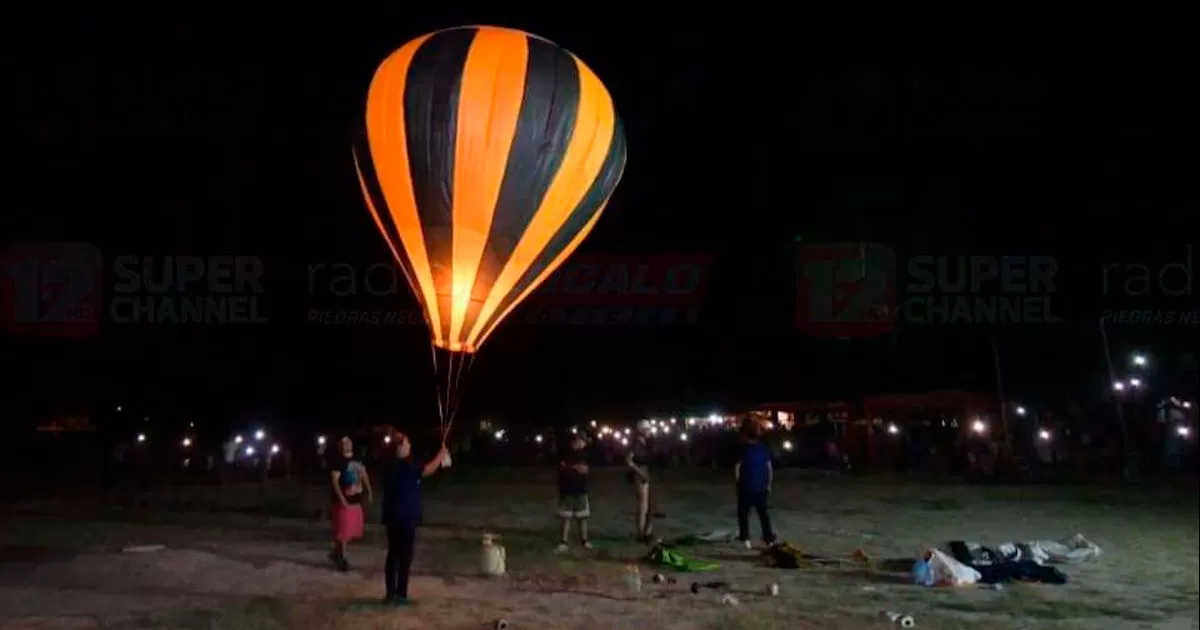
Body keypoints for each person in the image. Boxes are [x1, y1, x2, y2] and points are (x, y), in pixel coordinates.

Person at [381, 431, 450, 605]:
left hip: (393, 515)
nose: (409, 446)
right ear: (399, 447)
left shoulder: (392, 464)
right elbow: (426, 470)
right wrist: (440, 456)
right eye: (406, 443)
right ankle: (400, 594)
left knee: (393, 555)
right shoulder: (403, 465)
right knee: (404, 556)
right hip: (404, 516)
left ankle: (391, 593)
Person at [329, 436, 372, 571]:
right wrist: (341, 498)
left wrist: (369, 491)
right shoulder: (337, 461)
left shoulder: (357, 459)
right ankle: (342, 558)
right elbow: (334, 481)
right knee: (343, 531)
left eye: (348, 441)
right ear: (340, 446)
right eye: (343, 442)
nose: (346, 444)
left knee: (348, 530)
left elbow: (364, 474)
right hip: (343, 501)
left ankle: (336, 553)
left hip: (355, 500)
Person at [734, 421, 777, 549]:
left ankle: (745, 538)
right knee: (763, 514)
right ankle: (768, 538)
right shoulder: (763, 448)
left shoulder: (743, 450)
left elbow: (737, 468)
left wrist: (737, 485)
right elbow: (769, 468)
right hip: (761, 487)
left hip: (746, 486)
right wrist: (769, 484)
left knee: (743, 514)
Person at [556, 435, 592, 552]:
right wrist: (575, 467)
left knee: (582, 517)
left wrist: (572, 467)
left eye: (582, 442)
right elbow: (562, 467)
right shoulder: (565, 454)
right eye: (578, 441)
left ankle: (584, 540)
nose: (580, 443)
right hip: (567, 490)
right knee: (566, 517)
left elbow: (585, 469)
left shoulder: (585, 455)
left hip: (580, 490)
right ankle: (563, 542)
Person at [625, 427, 654, 542]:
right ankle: (640, 532)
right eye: (647, 430)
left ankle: (646, 531)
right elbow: (628, 460)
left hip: (646, 472)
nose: (649, 432)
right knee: (643, 505)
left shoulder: (646, 443)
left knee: (648, 505)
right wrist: (639, 471)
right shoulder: (636, 444)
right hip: (639, 474)